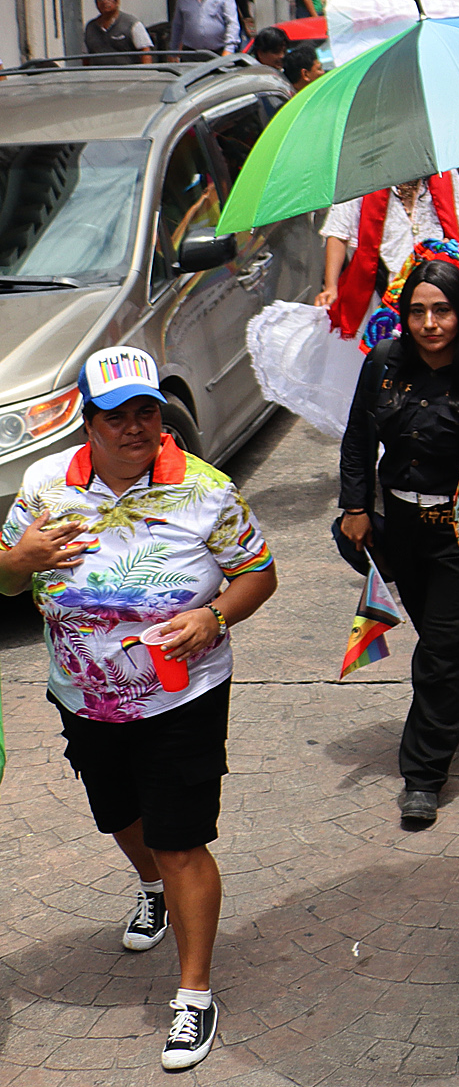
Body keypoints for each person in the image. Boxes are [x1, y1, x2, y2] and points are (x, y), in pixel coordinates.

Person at [1, 346, 278, 1070]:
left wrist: (215, 616)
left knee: (181, 838)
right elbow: (4, 580)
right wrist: (20, 560)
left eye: (146, 412)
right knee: (119, 815)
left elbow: (259, 573)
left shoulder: (207, 490)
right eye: (116, 416)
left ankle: (193, 995)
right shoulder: (43, 486)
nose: (135, 428)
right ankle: (151, 888)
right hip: (83, 695)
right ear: (87, 423)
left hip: (183, 695)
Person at [338, 258, 459, 827]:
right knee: (451, 636)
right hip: (401, 530)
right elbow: (358, 437)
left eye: (442, 311)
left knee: (439, 649)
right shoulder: (383, 362)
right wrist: (355, 507)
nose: (430, 324)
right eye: (417, 311)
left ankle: (423, 775)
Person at [316, 172, 459, 344]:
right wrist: (331, 286)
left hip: (440, 284)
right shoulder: (361, 176)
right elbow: (338, 233)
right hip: (386, 287)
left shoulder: (443, 173)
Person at [83, 0, 154, 62]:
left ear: (117, 2)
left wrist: (145, 69)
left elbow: (145, 51)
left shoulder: (131, 23)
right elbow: (86, 56)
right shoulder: (90, 27)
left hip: (127, 69)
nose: (104, 2)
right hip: (99, 69)